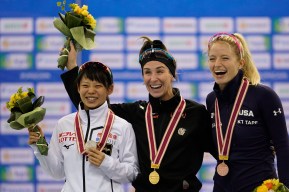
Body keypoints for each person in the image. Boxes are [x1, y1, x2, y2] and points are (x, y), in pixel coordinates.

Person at [60, 37, 216, 192]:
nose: (153, 78)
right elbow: (91, 106)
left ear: (172, 74)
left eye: (160, 71)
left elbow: (222, 151)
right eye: (147, 72)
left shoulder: (196, 113)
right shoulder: (135, 113)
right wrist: (72, 67)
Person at [28, 61, 139, 192]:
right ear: (78, 88)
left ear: (110, 89)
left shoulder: (122, 127)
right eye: (85, 85)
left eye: (98, 86)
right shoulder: (63, 124)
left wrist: (106, 162)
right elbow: (56, 173)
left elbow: (132, 173)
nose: (91, 91)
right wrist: (41, 147)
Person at [206, 32, 289, 191]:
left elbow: (283, 148)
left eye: (225, 58)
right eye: (212, 58)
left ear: (241, 63)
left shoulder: (264, 96)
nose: (217, 63)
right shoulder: (211, 100)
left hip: (259, 187)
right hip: (222, 187)